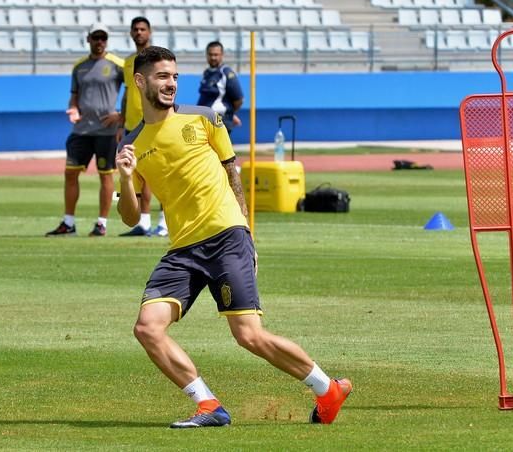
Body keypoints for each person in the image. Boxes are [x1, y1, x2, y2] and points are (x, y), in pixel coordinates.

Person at [116, 47, 351, 428]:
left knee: (249, 336)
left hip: (227, 237)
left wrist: (246, 234)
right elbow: (129, 215)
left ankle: (328, 389)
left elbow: (232, 174)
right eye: (162, 76)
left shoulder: (205, 118)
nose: (171, 83)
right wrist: (126, 179)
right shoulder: (132, 144)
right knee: (147, 327)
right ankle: (209, 405)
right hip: (182, 250)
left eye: (174, 76)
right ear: (140, 81)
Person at [46, 23, 124, 237]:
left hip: (106, 131)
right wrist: (72, 107)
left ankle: (102, 223)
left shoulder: (118, 64)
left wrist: (121, 116)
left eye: (103, 38)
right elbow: (74, 94)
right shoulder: (79, 66)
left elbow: (133, 92)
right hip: (81, 130)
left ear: (106, 40)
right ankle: (68, 222)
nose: (99, 42)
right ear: (88, 39)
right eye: (96, 37)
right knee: (70, 173)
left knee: (106, 176)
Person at [118, 16, 168, 237]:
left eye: (142, 29)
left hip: (154, 124)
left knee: (162, 172)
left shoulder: (158, 59)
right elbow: (128, 93)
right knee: (138, 175)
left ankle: (165, 222)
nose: (139, 33)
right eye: (135, 29)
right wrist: (121, 121)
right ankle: (144, 222)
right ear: (131, 33)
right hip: (132, 126)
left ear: (150, 32)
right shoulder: (128, 62)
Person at [197, 41, 244, 134]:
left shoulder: (226, 73)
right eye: (210, 54)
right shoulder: (206, 73)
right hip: (204, 120)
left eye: (216, 54)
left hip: (219, 122)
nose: (213, 57)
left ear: (222, 55)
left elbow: (239, 99)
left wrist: (229, 113)